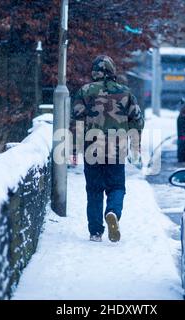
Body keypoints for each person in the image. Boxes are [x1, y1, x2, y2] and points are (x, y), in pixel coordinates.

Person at [70, 55, 144, 243]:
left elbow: (76, 121)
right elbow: (137, 120)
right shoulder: (125, 92)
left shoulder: (85, 91)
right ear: (112, 71)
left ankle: (95, 232)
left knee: (94, 190)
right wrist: (136, 146)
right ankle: (112, 212)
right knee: (116, 186)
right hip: (116, 148)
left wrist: (74, 148)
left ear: (94, 72)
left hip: (91, 148)